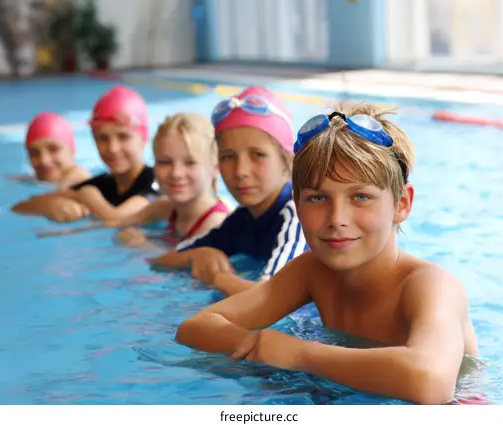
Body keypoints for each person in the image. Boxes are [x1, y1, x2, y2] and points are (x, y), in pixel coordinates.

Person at [174, 103, 478, 405]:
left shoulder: (432, 286)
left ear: (401, 204)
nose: (337, 218)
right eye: (317, 198)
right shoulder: (312, 271)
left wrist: (301, 355)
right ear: (296, 203)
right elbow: (195, 327)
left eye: (360, 197)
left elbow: (431, 381)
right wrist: (256, 344)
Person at [147, 86, 308, 296]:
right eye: (228, 157)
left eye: (257, 155)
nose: (240, 171)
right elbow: (160, 262)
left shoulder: (298, 215)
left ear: (287, 160)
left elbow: (271, 298)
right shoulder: (240, 221)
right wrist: (197, 256)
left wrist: (218, 277)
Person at [11, 86, 160, 223]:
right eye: (103, 138)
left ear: (144, 138)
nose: (113, 148)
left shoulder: (157, 181)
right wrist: (50, 206)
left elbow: (117, 219)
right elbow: (20, 207)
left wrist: (87, 198)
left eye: (123, 137)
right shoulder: (103, 184)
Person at [109, 112, 230, 248]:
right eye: (165, 162)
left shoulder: (216, 225)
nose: (176, 173)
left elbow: (186, 262)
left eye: (190, 163)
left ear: (216, 167)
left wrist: (141, 245)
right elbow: (114, 224)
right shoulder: (164, 208)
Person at [6, 111, 90, 188]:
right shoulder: (45, 179)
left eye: (53, 149)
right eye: (34, 153)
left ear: (72, 150)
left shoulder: (81, 179)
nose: (44, 160)